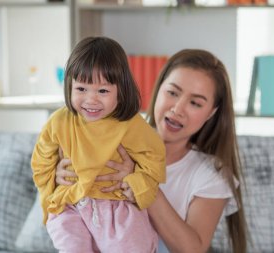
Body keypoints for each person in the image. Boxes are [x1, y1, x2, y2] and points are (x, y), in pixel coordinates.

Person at [56, 49, 247, 253]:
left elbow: (193, 249)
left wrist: (143, 184)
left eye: (195, 103)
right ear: (158, 88)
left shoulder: (212, 174)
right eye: (172, 93)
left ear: (211, 112)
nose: (178, 109)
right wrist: (59, 179)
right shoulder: (110, 139)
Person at [31, 36, 166, 253]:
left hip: (117, 209)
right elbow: (41, 162)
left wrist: (137, 187)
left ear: (120, 90)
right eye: (81, 89)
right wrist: (51, 195)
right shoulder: (59, 122)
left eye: (103, 91)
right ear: (69, 86)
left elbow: (154, 158)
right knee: (72, 247)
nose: (91, 100)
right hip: (70, 205)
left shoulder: (130, 124)